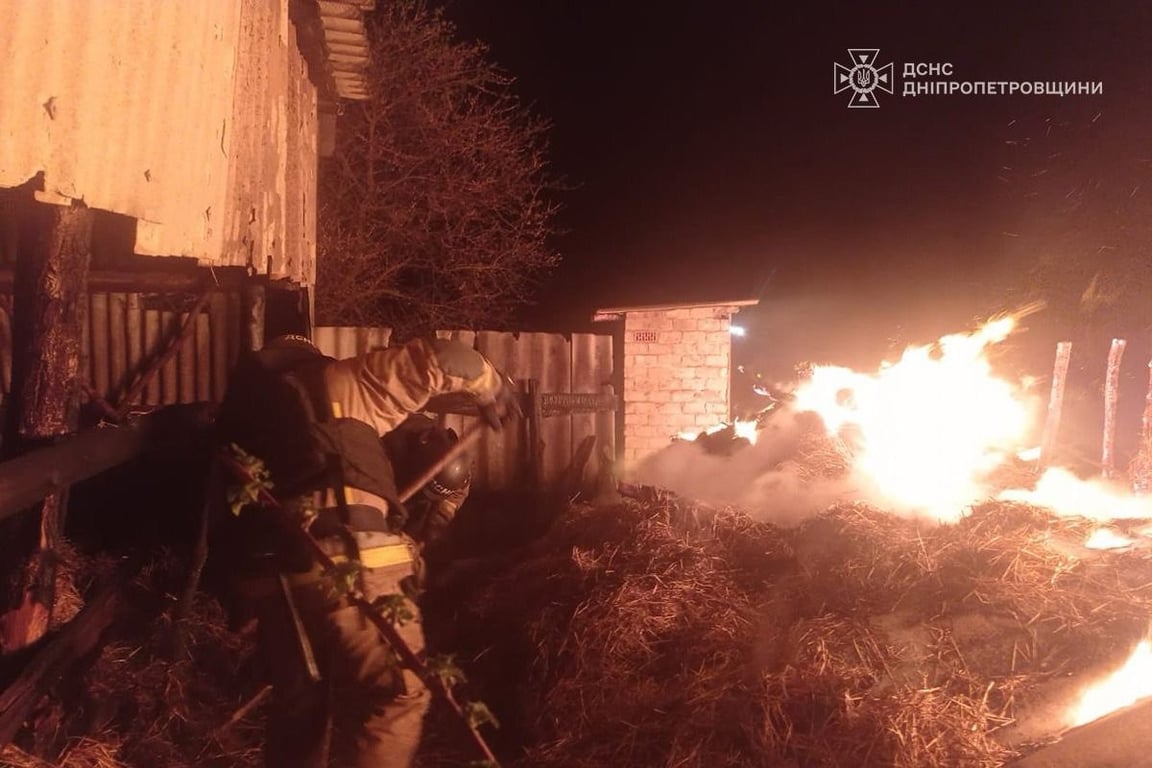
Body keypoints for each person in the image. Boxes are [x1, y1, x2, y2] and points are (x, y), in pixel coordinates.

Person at [213, 333, 519, 768]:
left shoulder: (238, 424)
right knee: (395, 695)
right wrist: (493, 388)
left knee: (299, 709)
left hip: (273, 584)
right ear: (309, 357)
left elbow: (220, 523)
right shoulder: (336, 383)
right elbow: (447, 357)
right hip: (351, 563)